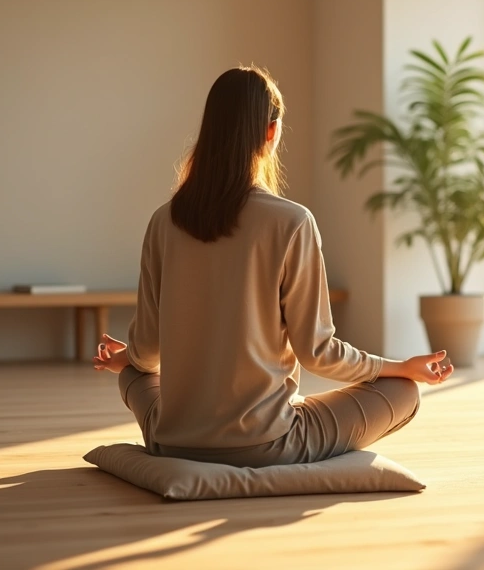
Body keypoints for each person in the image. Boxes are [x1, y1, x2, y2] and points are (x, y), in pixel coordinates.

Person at [92, 65, 453, 468]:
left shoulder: (164, 220)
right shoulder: (293, 222)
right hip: (267, 444)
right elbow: (318, 353)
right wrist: (399, 367)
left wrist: (127, 360)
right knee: (404, 392)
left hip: (172, 439)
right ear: (271, 130)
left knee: (132, 374)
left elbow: (145, 353)